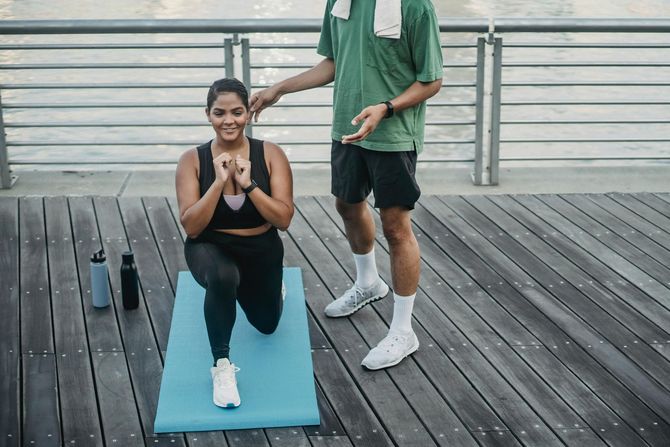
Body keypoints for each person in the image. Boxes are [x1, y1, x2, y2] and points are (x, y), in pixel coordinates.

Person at [249, 0, 443, 370]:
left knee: (396, 228)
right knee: (347, 205)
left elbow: (431, 80)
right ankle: (368, 283)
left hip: (394, 135)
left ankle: (404, 330)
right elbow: (333, 64)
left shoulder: (416, 7)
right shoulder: (339, 2)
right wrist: (280, 88)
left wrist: (385, 107)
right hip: (347, 129)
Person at [175, 78, 294, 408]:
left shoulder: (270, 154)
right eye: (219, 113)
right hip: (210, 246)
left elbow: (283, 219)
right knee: (224, 277)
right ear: (208, 115)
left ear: (249, 113)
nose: (229, 120)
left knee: (267, 325)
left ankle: (268, 287)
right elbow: (192, 226)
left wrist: (249, 184)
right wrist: (218, 183)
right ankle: (222, 367)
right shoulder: (192, 161)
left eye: (237, 112)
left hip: (262, 248)